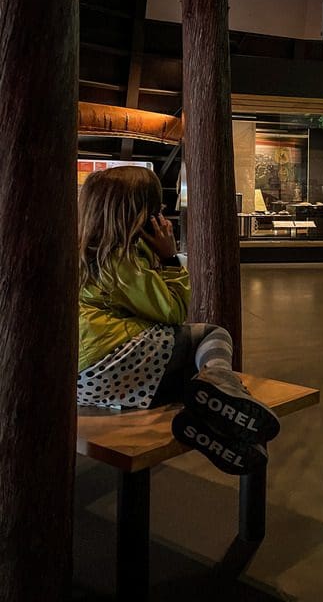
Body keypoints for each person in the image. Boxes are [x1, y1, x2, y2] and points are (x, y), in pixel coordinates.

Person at [77, 166, 279, 475]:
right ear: (139, 213)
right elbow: (172, 310)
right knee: (212, 335)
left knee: (191, 378)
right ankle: (222, 383)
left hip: (86, 380)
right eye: (156, 208)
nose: (161, 215)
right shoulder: (122, 259)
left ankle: (211, 425)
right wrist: (170, 258)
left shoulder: (82, 253)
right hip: (116, 365)